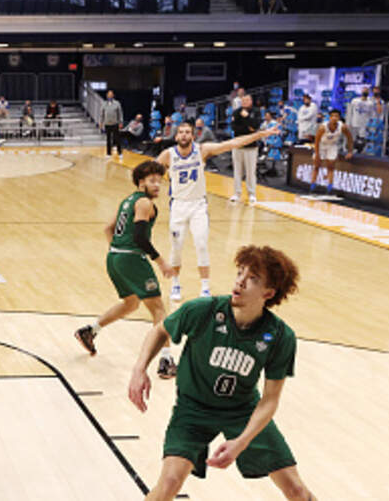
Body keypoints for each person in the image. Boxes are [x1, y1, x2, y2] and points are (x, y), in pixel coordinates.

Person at [128, 246, 312, 501]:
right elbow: (160, 330)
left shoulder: (280, 336)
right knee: (169, 482)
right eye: (240, 273)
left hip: (242, 412)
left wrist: (242, 442)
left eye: (252, 278)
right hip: (193, 409)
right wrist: (139, 369)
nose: (240, 281)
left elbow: (270, 400)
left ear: (268, 293)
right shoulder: (203, 311)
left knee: (297, 490)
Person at [75, 161, 178, 379]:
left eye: (159, 181)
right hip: (131, 258)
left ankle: (90, 330)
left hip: (114, 257)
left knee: (131, 303)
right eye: (152, 181)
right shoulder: (144, 203)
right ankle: (166, 361)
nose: (157, 185)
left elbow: (108, 228)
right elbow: (139, 237)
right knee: (158, 309)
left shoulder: (127, 201)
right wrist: (161, 262)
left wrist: (118, 250)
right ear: (141, 182)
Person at [157, 122, 280, 302]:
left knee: (201, 244)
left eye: (187, 132)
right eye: (181, 132)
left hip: (198, 205)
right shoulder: (168, 155)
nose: (184, 135)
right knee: (176, 247)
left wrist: (261, 134)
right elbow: (149, 173)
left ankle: (205, 287)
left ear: (193, 136)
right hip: (178, 206)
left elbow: (232, 143)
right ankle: (175, 284)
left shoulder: (202, 150)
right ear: (176, 136)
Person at [311, 109, 354, 193]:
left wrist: (350, 151)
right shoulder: (323, 127)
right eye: (333, 116)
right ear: (330, 117)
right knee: (316, 166)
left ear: (339, 118)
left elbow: (350, 138)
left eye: (336, 116)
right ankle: (312, 186)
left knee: (331, 166)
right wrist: (317, 154)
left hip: (332, 145)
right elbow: (316, 141)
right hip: (321, 145)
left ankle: (330, 187)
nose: (334, 118)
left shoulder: (343, 127)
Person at [229, 95, 262, 204]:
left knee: (250, 172)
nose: (244, 102)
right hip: (238, 145)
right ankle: (237, 193)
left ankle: (252, 194)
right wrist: (248, 128)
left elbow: (255, 126)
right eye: (243, 100)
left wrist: (247, 117)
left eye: (247, 100)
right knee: (237, 171)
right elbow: (234, 127)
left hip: (251, 147)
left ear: (251, 101)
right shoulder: (236, 112)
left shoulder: (256, 111)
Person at [101, 90, 124, 158]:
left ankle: (120, 152)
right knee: (108, 139)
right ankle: (108, 153)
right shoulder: (104, 104)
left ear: (113, 95)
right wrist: (101, 122)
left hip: (115, 123)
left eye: (111, 94)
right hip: (107, 124)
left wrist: (120, 122)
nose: (110, 96)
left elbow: (120, 114)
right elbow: (102, 114)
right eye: (108, 94)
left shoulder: (117, 103)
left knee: (117, 138)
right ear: (107, 96)